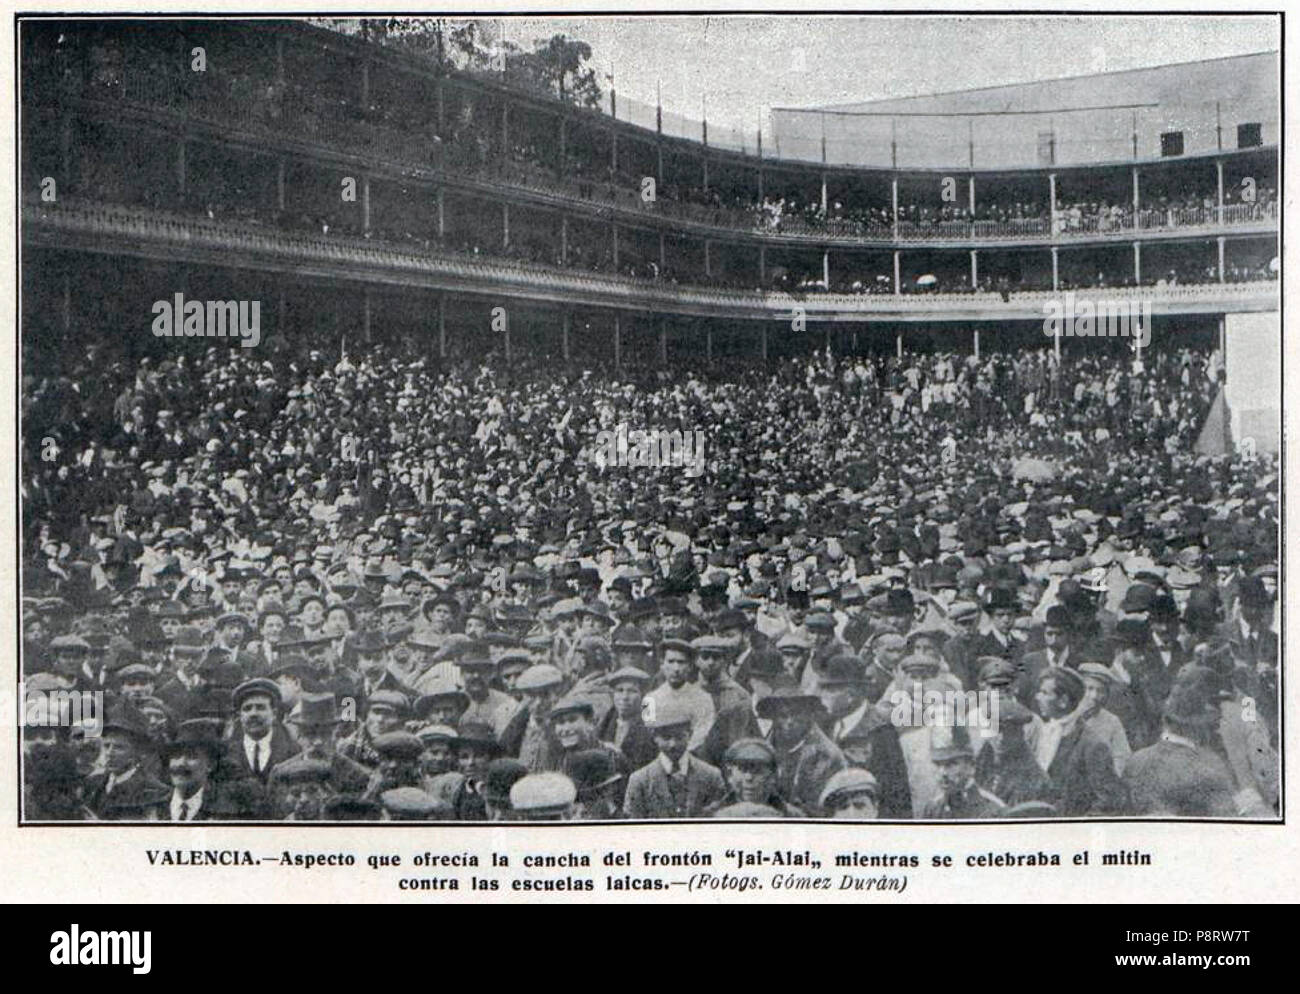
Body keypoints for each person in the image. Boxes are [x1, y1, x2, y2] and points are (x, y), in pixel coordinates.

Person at [623, 703, 726, 819]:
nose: (673, 744)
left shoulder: (711, 775)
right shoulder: (640, 780)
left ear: (690, 735)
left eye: (679, 737)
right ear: (654, 737)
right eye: (666, 738)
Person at [757, 687, 846, 816]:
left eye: (796, 714)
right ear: (774, 719)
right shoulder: (762, 750)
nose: (790, 722)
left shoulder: (828, 756)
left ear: (809, 716)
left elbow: (828, 809)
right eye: (783, 716)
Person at [272, 692, 370, 796]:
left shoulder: (356, 775)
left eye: (325, 734)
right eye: (310, 734)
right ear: (299, 736)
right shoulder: (281, 773)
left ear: (335, 734)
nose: (317, 742)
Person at [225, 678, 301, 784]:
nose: (253, 714)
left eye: (260, 707)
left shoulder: (292, 749)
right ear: (239, 716)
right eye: (247, 709)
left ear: (274, 714)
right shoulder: (225, 752)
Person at [922, 726, 1007, 819]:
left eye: (951, 764)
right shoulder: (933, 809)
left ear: (971, 766)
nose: (943, 773)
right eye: (938, 765)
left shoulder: (993, 810)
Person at [596, 665, 659, 770]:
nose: (624, 697)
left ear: (643, 695)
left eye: (632, 691)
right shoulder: (606, 723)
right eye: (619, 690)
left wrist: (620, 757)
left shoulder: (649, 726)